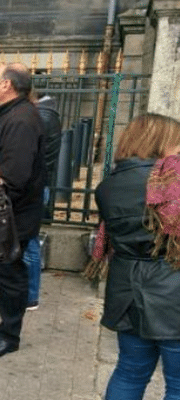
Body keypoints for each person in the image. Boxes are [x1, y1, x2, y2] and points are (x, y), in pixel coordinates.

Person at [92, 114, 180, 400]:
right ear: (161, 142)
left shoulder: (108, 186)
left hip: (126, 289)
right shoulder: (173, 181)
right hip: (173, 292)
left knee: (130, 371)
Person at [0, 63, 46, 358]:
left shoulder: (22, 120)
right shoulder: (4, 113)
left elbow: (12, 177)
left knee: (8, 274)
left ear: (7, 86)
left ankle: (8, 334)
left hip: (10, 215)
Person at [23, 92, 62, 311]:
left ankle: (30, 296)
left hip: (33, 188)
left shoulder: (41, 116)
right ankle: (28, 293)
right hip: (37, 186)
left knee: (29, 244)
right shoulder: (45, 114)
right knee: (27, 242)